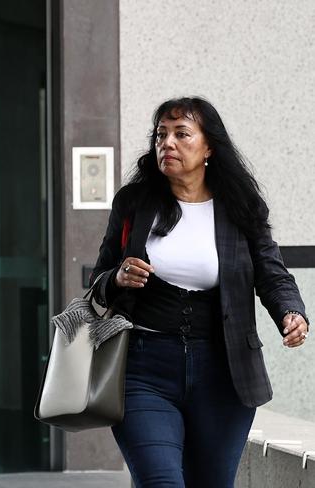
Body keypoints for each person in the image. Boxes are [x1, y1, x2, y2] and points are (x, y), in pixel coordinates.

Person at [90, 97, 309, 488]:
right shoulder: (135, 204)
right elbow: (100, 279)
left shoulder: (241, 208)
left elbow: (272, 274)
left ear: (209, 147)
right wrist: (117, 277)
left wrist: (291, 313)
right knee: (161, 481)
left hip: (224, 372)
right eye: (161, 135)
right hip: (143, 369)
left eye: (181, 134)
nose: (167, 143)